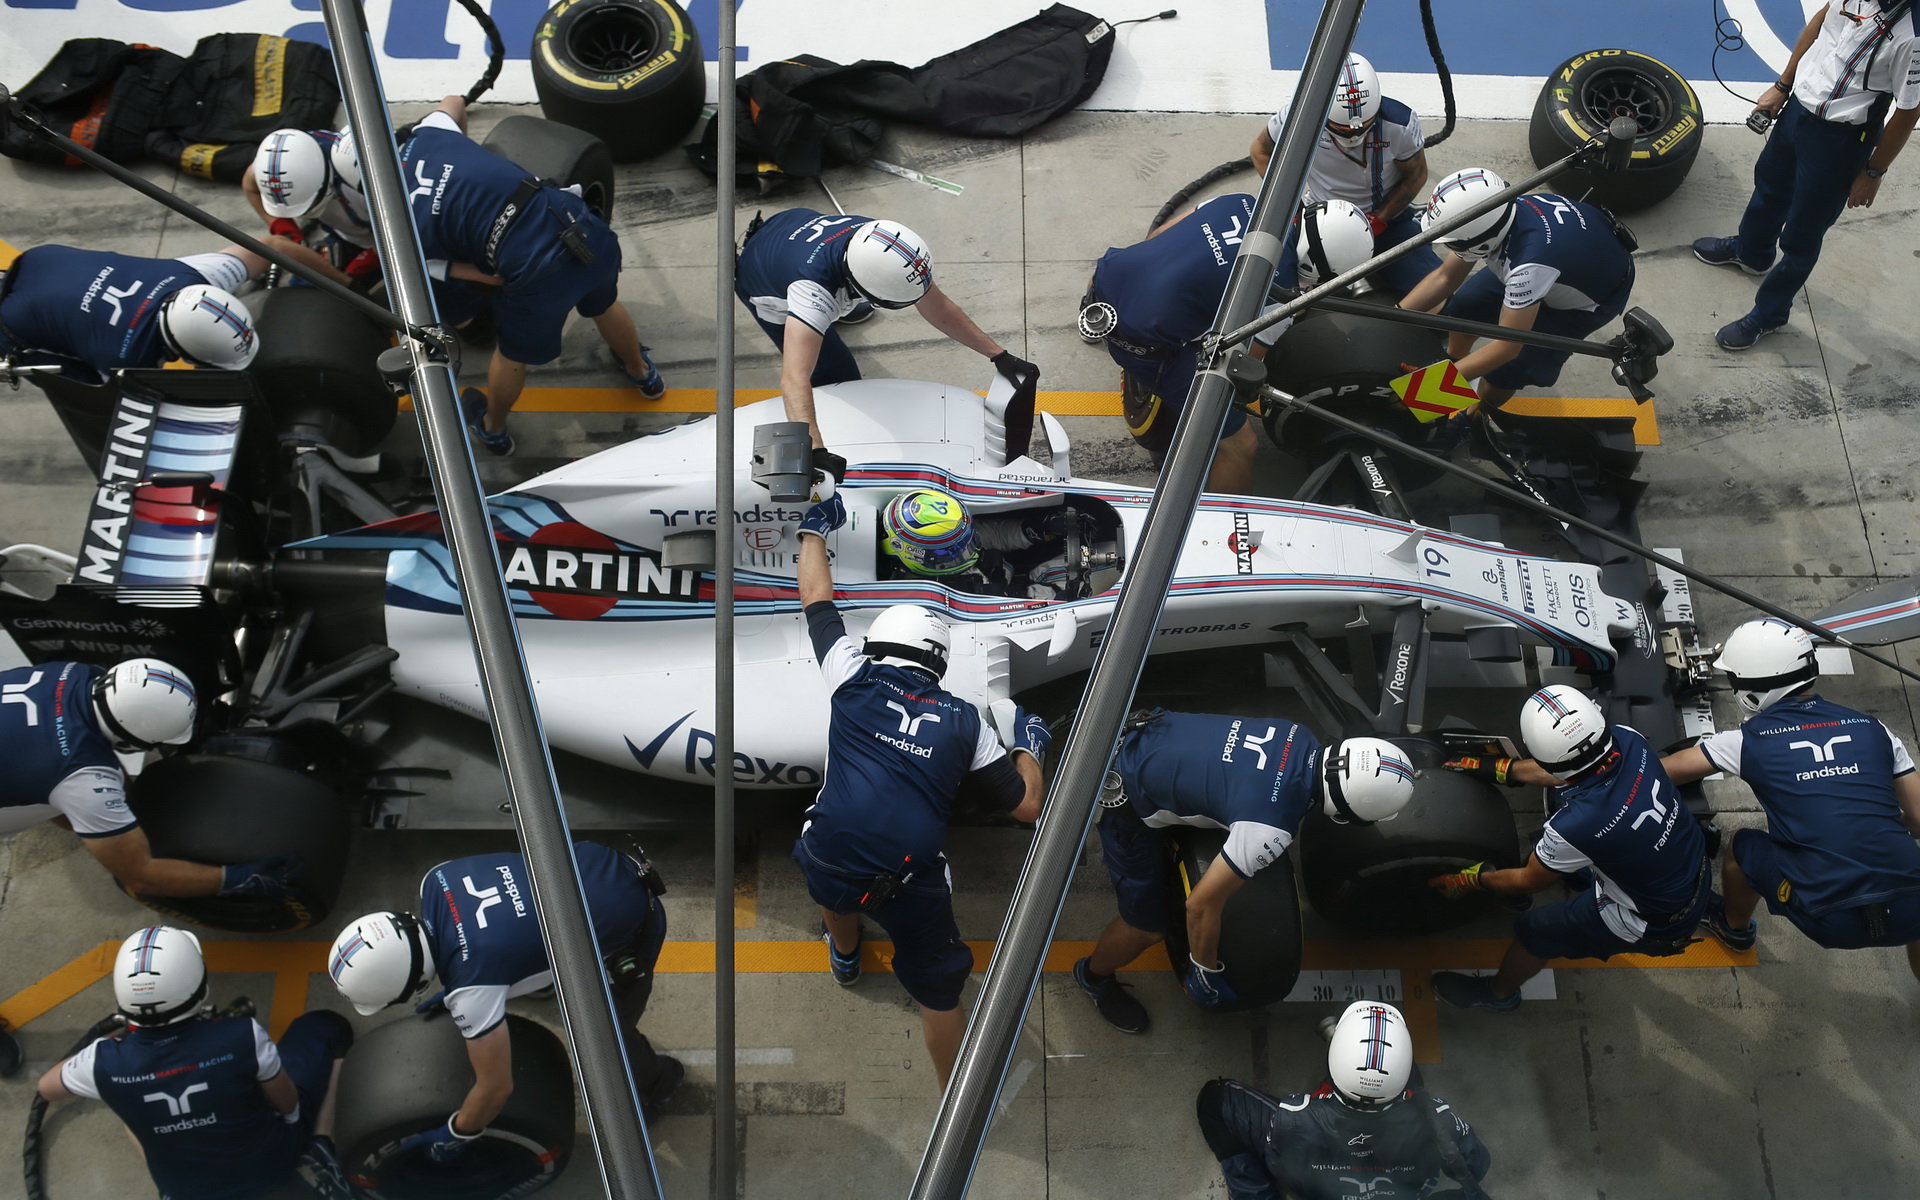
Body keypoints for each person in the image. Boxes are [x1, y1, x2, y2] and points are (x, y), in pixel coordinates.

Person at [791, 492, 1046, 1089]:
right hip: (907, 880)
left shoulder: (851, 675)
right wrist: (1029, 745)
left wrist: (813, 530)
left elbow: (815, 600)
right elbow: (1026, 806)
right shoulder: (963, 721)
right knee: (938, 993)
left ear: (879, 645)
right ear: (937, 660)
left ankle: (846, 957)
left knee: (832, 876)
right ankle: (952, 1106)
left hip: (828, 849)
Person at [341, 96, 665, 456]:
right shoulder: (431, 131)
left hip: (534, 270)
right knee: (604, 304)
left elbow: (489, 278)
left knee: (511, 355)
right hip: (574, 223)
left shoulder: (397, 233)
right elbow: (454, 101)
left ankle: (493, 428)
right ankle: (643, 374)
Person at [326, 840, 683, 1152]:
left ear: (413, 983)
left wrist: (458, 1132)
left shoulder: (472, 991)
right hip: (597, 863)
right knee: (521, 948)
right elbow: (504, 920)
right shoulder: (436, 879)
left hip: (633, 918)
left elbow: (496, 1088)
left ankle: (661, 1081)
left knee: (610, 1037)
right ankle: (543, 981)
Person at [1074, 711, 1415, 1033]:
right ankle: (1093, 976)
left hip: (1135, 731)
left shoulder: (1297, 732)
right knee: (1146, 927)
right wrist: (1205, 968)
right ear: (1347, 813)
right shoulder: (1269, 828)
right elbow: (1200, 905)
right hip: (1121, 796)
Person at [1660, 619, 1920, 981]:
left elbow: (1666, 771)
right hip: (1913, 907)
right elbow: (1919, 819)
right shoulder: (1876, 729)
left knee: (1742, 845)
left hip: (1830, 918)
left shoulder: (1746, 742)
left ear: (1750, 692)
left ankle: (1734, 928)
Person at [1428, 684, 1711, 1011]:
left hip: (1653, 920)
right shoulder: (1629, 740)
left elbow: (1527, 879)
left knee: (1535, 932)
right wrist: (1501, 770)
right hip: (1690, 866)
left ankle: (1497, 993)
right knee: (1558, 855)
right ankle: (1565, 884)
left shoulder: (1576, 827)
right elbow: (1575, 764)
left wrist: (1475, 879)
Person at [1081, 193, 1374, 493]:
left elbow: (1158, 235)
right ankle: (1222, 528)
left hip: (1108, 274)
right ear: (1316, 267)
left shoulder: (1245, 201)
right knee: (1241, 446)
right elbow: (1242, 369)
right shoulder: (1280, 293)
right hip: (1137, 342)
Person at [37, 925, 355, 1200]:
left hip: (183, 1190)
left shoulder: (101, 1061)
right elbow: (287, 1103)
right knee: (326, 1026)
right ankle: (318, 1146)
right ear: (202, 988)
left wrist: (106, 1053)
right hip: (270, 1166)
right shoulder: (243, 1035)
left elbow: (47, 1088)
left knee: (123, 1105)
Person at [734, 207, 1038, 478]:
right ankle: (830, 318)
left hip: (788, 226)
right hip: (760, 274)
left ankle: (842, 310)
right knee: (837, 376)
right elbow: (793, 378)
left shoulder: (880, 239)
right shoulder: (812, 294)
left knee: (830, 314)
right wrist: (814, 450)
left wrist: (998, 354)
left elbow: (936, 305)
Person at [1691, 2, 1920, 350]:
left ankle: (1769, 314)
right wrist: (1783, 86)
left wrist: (1873, 171)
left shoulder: (1913, 36)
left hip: (1840, 140)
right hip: (1798, 110)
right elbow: (1819, 23)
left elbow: (1908, 111)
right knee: (1769, 185)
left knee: (1802, 235)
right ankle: (1751, 253)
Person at [0, 658, 298, 900]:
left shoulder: (73, 671)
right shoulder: (83, 779)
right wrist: (234, 879)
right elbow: (142, 877)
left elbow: (43, 751)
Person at [1397, 168, 1636, 419]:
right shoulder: (1494, 213)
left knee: (1509, 370)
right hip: (1562, 258)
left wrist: (1422, 393)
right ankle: (1453, 360)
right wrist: (1391, 319)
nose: (1450, 249)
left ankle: (1477, 415)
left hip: (1589, 297)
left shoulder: (1528, 267)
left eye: (1453, 243)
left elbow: (1507, 347)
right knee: (1464, 308)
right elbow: (1445, 277)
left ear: (1484, 241)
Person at [1196, 1000, 1492, 1199]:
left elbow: (1219, 1106)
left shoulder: (1292, 1117)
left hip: (1315, 1190)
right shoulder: (1440, 1121)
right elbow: (1475, 1166)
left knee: (1214, 1102)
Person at [1249, 51, 1440, 298]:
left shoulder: (1400, 123)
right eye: (1342, 130)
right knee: (1280, 293)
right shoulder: (1297, 116)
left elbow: (1415, 176)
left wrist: (1379, 220)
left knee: (1435, 298)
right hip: (1317, 219)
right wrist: (1293, 210)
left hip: (1385, 221)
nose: (1353, 136)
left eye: (1364, 126)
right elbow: (1261, 151)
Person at [0, 241, 279, 382]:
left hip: (46, 260)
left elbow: (275, 247)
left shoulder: (192, 274)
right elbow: (95, 402)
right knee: (86, 387)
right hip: (11, 321)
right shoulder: (127, 361)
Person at [876, 486, 1103, 600]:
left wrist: (1041, 526)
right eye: (954, 552)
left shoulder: (949, 536)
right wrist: (1058, 599)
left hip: (1013, 576)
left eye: (966, 541)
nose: (969, 551)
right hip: (1012, 595)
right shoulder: (915, 596)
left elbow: (992, 534)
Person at [244, 127, 370, 285]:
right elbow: (249, 184)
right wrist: (279, 224)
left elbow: (407, 221)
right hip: (345, 236)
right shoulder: (273, 162)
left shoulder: (362, 175)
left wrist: (376, 256)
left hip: (396, 240)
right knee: (304, 287)